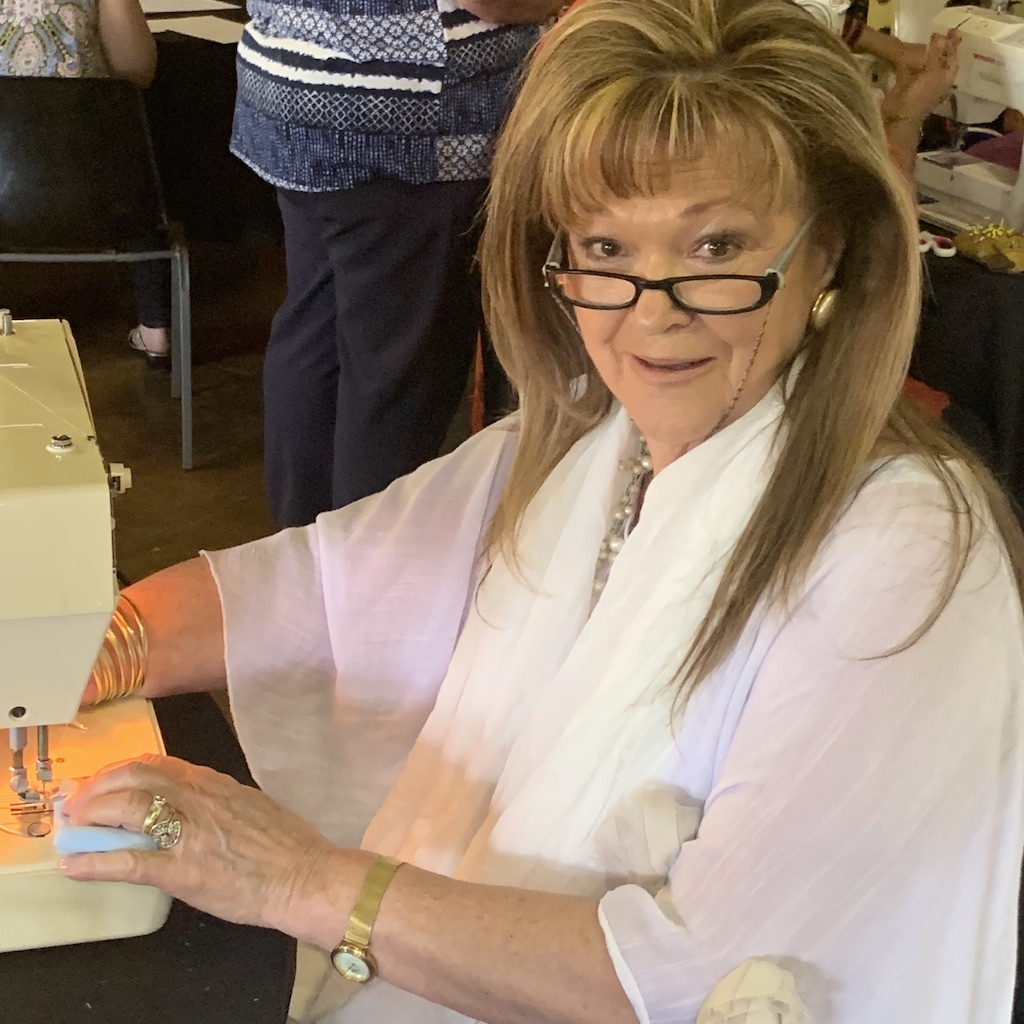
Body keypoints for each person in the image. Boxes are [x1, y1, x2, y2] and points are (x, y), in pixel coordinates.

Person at [62, 1, 1024, 1022]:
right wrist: (94, 648)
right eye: (604, 247)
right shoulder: (587, 443)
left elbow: (704, 979)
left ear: (827, 249)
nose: (652, 310)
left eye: (714, 246)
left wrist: (296, 880)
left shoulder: (905, 555)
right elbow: (318, 589)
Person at [232, 0, 563, 529]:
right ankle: (367, 559)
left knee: (314, 331)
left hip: (295, 90)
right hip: (405, 124)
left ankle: (305, 551)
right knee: (395, 376)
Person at [0, 0, 173, 364]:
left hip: (4, 196)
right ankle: (154, 327)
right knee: (133, 153)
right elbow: (137, 69)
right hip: (97, 198)